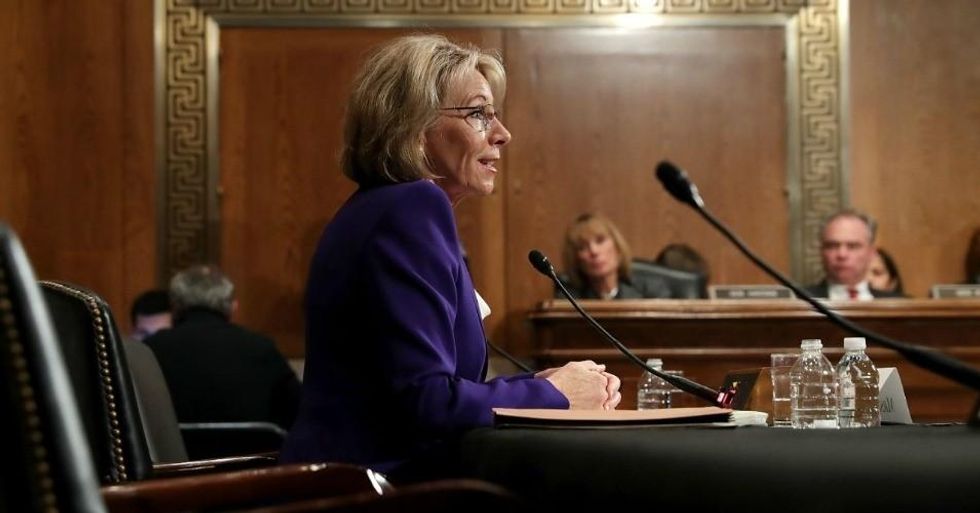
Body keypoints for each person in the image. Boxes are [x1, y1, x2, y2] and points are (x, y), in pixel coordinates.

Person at [278, 34, 620, 482]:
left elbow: (416, 387)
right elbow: (426, 401)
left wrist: (538, 385)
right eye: (478, 114)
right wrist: (551, 395)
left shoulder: (377, 208)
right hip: (379, 490)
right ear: (411, 126)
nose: (502, 133)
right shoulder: (412, 208)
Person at [144, 264, 301, 429]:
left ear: (174, 306)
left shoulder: (149, 351)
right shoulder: (261, 349)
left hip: (172, 454)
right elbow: (296, 412)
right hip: (250, 452)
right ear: (233, 307)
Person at [557, 212, 671, 300]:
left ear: (617, 248)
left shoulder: (652, 291)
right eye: (582, 247)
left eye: (600, 241)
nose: (594, 251)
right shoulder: (569, 300)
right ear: (575, 260)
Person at [802, 209, 905, 300]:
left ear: (871, 253)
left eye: (852, 246)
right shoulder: (799, 301)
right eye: (832, 246)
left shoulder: (902, 306)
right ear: (821, 251)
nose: (842, 255)